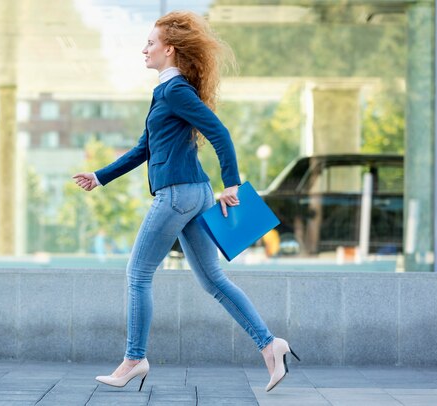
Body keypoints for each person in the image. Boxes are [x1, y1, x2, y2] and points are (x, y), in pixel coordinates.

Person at [72, 10, 299, 393]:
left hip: (178, 194)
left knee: (138, 273)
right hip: (193, 192)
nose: (144, 48)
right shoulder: (165, 92)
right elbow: (144, 147)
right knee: (213, 279)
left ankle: (134, 358)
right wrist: (100, 176)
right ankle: (270, 345)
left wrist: (233, 183)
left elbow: (219, 132)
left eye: (150, 43)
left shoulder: (175, 91)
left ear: (169, 50)